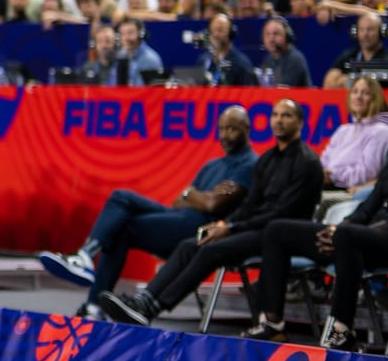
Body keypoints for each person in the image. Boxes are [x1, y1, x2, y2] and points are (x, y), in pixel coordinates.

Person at [101, 100, 324, 326]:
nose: (278, 120)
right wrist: (223, 224)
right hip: (254, 227)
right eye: (275, 115)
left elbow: (280, 212)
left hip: (282, 235)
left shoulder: (307, 162)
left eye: (286, 115)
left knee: (212, 250)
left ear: (300, 122)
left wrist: (231, 228)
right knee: (192, 243)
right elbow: (249, 205)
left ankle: (153, 309)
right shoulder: (267, 160)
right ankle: (144, 300)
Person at [38, 106, 255, 317]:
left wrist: (193, 195)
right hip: (178, 217)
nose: (225, 135)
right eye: (222, 129)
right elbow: (179, 200)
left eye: (232, 129)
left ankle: (91, 289)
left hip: (201, 229)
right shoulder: (212, 165)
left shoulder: (249, 164)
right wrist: (197, 197)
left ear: (246, 129)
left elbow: (213, 206)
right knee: (120, 197)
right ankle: (87, 265)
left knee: (122, 226)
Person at [244, 100, 388, 349]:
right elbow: (367, 207)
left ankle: (342, 330)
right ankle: (272, 324)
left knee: (347, 236)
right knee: (278, 230)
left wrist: (346, 233)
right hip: (367, 239)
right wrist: (336, 229)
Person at [197, 11, 257, 86]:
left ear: (231, 34)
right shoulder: (204, 61)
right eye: (212, 30)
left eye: (220, 30)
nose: (216, 34)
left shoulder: (241, 64)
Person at [329, 12, 388, 76]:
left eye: (370, 29)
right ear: (355, 33)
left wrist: (347, 80)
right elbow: (329, 82)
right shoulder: (349, 56)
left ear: (381, 32)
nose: (365, 34)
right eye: (361, 29)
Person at [258, 15, 312, 88]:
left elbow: (283, 89)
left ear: (287, 37)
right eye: (267, 34)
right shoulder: (269, 59)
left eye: (276, 34)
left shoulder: (295, 59)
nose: (271, 39)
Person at [108, 19, 165, 86]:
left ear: (141, 34)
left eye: (130, 33)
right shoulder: (120, 55)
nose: (126, 38)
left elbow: (151, 91)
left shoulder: (150, 59)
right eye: (122, 34)